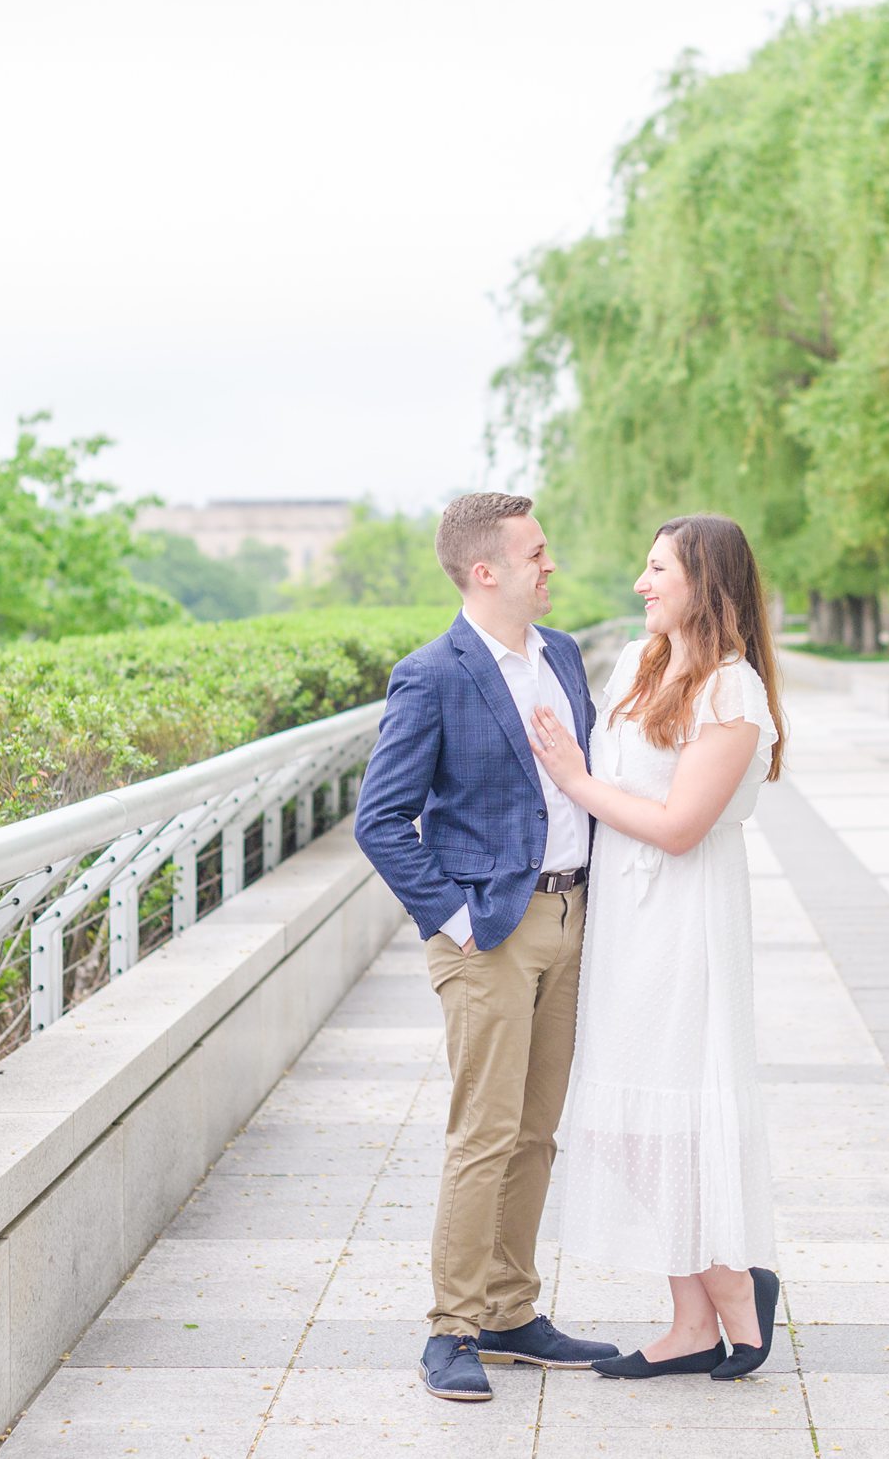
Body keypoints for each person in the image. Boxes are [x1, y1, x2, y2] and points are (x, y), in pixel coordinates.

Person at [353, 492, 619, 1403]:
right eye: (537, 553)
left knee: (538, 1130)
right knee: (484, 1132)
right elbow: (380, 820)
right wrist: (457, 920)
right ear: (486, 570)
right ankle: (453, 1328)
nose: (552, 565)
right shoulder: (433, 674)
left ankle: (511, 1310)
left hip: (571, 922)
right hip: (489, 935)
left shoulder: (567, 657)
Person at [526, 512, 788, 1381]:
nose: (641, 584)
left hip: (684, 921)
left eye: (657, 570)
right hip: (624, 920)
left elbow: (680, 827)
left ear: (703, 583)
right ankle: (694, 1311)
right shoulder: (640, 663)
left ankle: (731, 1298)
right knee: (621, 1118)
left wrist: (578, 780)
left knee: (673, 1110)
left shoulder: (733, 692)